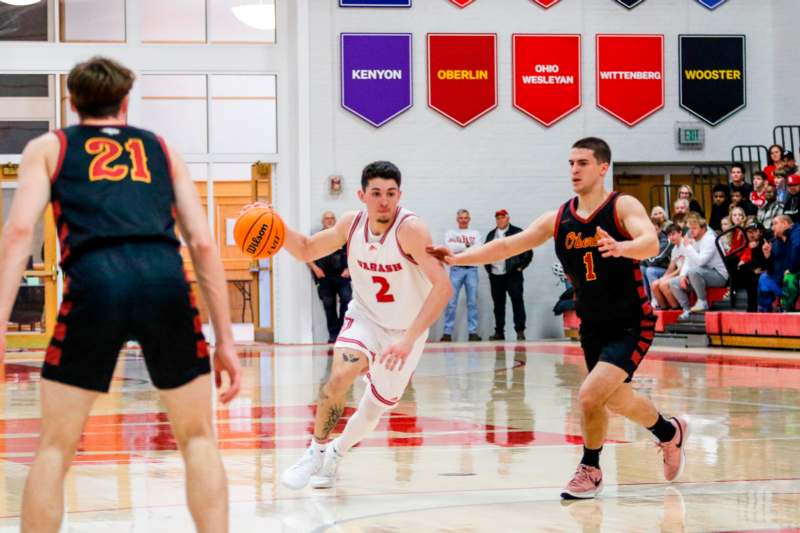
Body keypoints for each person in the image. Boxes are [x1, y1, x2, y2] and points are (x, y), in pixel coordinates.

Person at [0, 57, 241, 532]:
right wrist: (226, 341)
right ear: (125, 102)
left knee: (53, 445)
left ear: (72, 102)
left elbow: (20, 231)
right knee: (197, 437)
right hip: (164, 281)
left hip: (96, 281)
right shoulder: (162, 149)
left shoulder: (50, 147)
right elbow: (205, 243)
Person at [428, 137, 688, 500]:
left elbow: (650, 241)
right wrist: (457, 257)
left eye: (582, 163)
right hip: (592, 324)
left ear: (602, 167)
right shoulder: (560, 217)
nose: (574, 170)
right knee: (611, 399)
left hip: (631, 321)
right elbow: (506, 246)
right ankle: (668, 432)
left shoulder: (621, 206)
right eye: (570, 163)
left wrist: (621, 247)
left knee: (589, 395)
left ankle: (591, 469)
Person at [277, 160, 451, 490]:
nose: (384, 201)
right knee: (340, 375)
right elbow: (305, 249)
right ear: (361, 195)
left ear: (400, 194)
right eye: (376, 193)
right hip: (366, 319)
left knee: (373, 410)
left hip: (405, 332)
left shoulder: (411, 230)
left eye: (390, 193)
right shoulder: (350, 224)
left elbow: (443, 288)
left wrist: (408, 340)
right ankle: (315, 450)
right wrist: (275, 224)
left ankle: (335, 455)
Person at [669, 213, 729, 320]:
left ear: (703, 228)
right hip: (701, 274)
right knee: (673, 283)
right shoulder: (695, 239)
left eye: (695, 228)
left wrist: (688, 247)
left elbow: (700, 261)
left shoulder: (710, 239)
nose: (691, 231)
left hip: (719, 276)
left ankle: (702, 301)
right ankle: (686, 310)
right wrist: (682, 275)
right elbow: (689, 260)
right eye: (690, 228)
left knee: (693, 271)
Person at [484, 209, 532, 341]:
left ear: (508, 218)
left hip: (512, 274)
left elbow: (528, 251)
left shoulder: (517, 232)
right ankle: (499, 332)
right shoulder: (491, 235)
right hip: (495, 275)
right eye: (498, 218)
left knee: (517, 302)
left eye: (502, 217)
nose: (500, 220)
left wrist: (520, 267)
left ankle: (520, 331)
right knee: (498, 305)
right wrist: (488, 268)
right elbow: (484, 252)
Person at [308, 211, 352, 343]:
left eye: (332, 218)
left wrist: (349, 269)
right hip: (324, 277)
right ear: (323, 221)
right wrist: (315, 269)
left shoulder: (343, 235)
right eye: (327, 218)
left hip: (342, 276)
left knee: (347, 301)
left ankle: (343, 332)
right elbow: (306, 254)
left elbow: (355, 252)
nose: (330, 221)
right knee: (329, 305)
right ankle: (334, 335)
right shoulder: (316, 237)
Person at [440, 209, 481, 342]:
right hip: (456, 269)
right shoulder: (450, 233)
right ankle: (447, 332)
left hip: (472, 269)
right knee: (451, 302)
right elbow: (449, 249)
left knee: (472, 302)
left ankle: (473, 332)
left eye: (466, 218)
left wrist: (459, 247)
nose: (463, 220)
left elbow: (478, 249)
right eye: (461, 218)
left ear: (469, 219)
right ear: (457, 220)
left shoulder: (475, 233)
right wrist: (467, 245)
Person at [758, 215, 800, 312]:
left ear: (785, 223)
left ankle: (787, 310)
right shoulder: (775, 242)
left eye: (775, 223)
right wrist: (767, 256)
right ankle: (764, 313)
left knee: (790, 276)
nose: (772, 227)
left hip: (795, 278)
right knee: (764, 278)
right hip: (781, 281)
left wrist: (791, 269)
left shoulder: (797, 231)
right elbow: (770, 268)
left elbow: (798, 247)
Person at [731, 221, 767, 312]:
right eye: (749, 232)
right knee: (742, 269)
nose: (751, 234)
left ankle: (753, 307)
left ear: (761, 232)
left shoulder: (766, 243)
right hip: (752, 273)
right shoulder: (747, 245)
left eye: (754, 231)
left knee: (751, 276)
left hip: (764, 273)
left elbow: (764, 263)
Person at [650, 224, 686, 311]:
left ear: (680, 232)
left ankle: (676, 308)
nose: (671, 237)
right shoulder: (674, 249)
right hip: (679, 273)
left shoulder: (685, 245)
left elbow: (682, 268)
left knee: (663, 284)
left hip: (686, 273)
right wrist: (663, 277)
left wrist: (666, 278)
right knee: (654, 284)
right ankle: (664, 309)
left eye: (673, 234)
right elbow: (671, 267)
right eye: (669, 235)